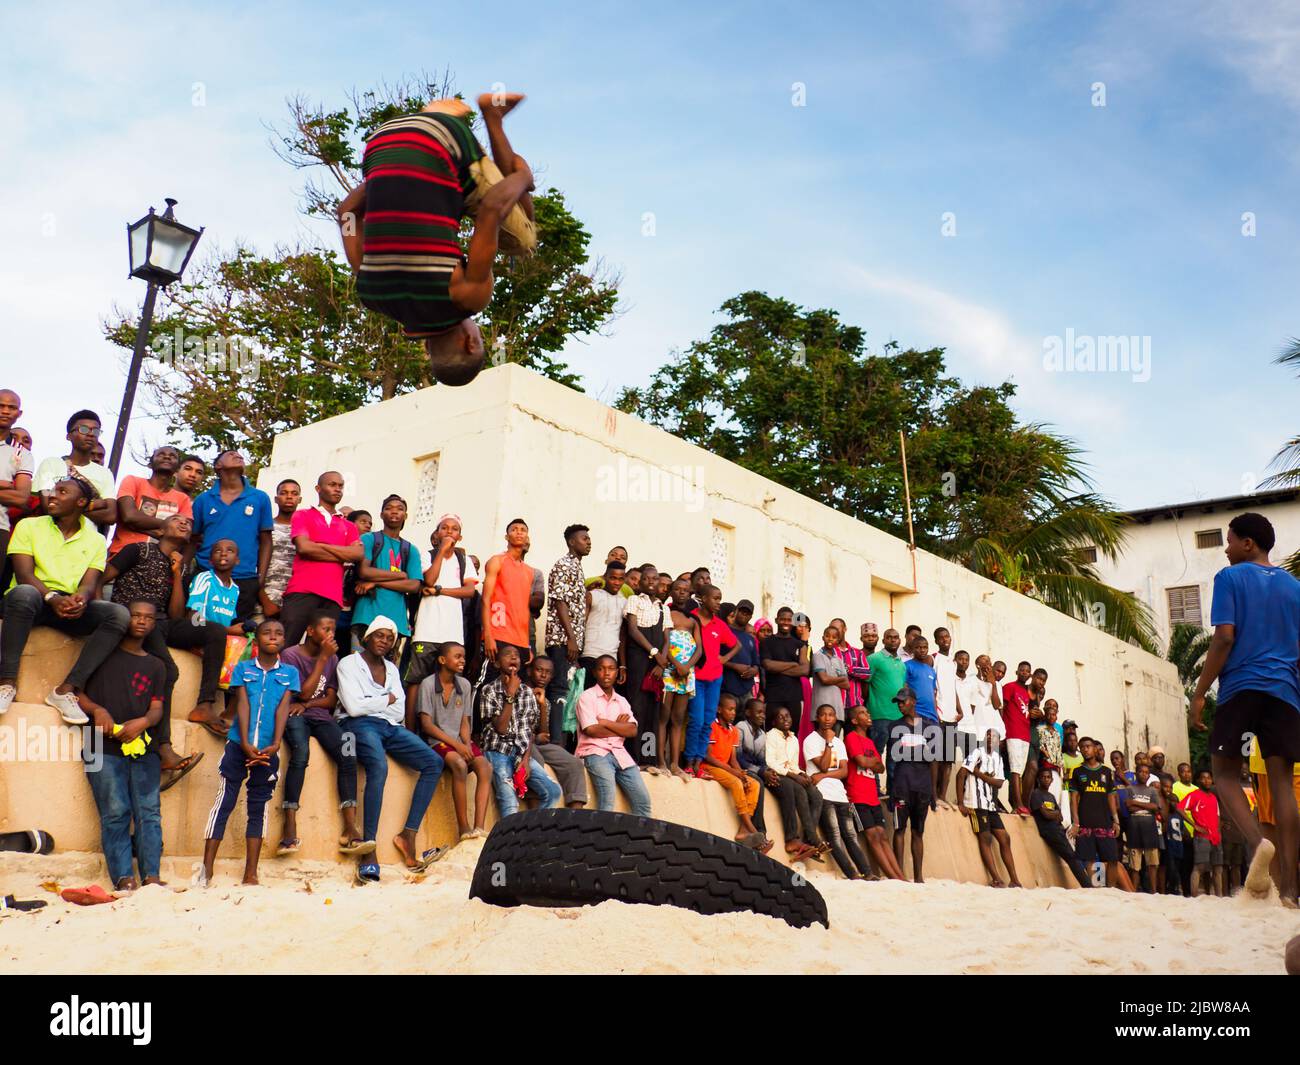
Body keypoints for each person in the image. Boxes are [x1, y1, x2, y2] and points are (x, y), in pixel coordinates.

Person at [341, 91, 537, 386]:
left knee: (525, 240)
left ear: (470, 343)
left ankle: (491, 117)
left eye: (479, 338)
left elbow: (492, 209)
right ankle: (430, 120)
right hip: (380, 144)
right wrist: (387, 180)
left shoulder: (466, 298)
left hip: (446, 141)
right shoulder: (372, 295)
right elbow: (346, 214)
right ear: (427, 347)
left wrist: (523, 177)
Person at [1191, 511, 1300, 908]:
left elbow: (1223, 638)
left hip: (1241, 687)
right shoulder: (1295, 586)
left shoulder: (1230, 578)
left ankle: (1259, 847)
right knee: (1283, 785)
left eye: (1230, 540)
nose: (1225, 547)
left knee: (1223, 773)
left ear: (1248, 544)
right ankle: (1290, 887)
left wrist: (1200, 692)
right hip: (1285, 692)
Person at [0, 478, 127, 722]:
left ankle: (65, 690)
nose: (52, 496)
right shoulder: (29, 526)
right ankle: (6, 683)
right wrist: (51, 597)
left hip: (67, 608)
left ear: (80, 502)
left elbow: (90, 583)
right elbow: (24, 574)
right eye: (53, 490)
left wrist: (81, 598)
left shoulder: (97, 540)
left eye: (62, 492)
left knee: (118, 615)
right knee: (23, 593)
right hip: (33, 601)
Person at [337, 616, 448, 880]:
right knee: (378, 766)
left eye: (390, 638)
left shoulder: (392, 669)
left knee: (433, 763)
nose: (385, 641)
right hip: (358, 725)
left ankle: (408, 834)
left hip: (389, 726)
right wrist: (386, 698)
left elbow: (398, 711)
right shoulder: (348, 664)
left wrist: (374, 701)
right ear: (368, 637)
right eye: (380, 635)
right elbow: (353, 707)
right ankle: (369, 849)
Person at [100, 513, 203, 787]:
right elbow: (103, 577)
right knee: (168, 669)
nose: (184, 523)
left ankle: (161, 749)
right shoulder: (139, 549)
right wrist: (100, 612)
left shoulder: (179, 566)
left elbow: (177, 614)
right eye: (177, 519)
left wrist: (177, 574)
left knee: (168, 669)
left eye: (189, 523)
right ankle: (164, 748)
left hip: (158, 623)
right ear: (160, 529)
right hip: (128, 616)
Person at [76, 600, 167, 891]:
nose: (141, 621)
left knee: (149, 812)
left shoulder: (156, 665)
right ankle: (124, 879)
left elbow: (157, 710)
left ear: (154, 624)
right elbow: (74, 692)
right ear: (125, 618)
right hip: (98, 743)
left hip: (142, 746)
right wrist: (97, 710)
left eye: (148, 617)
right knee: (115, 811)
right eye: (135, 615)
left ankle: (151, 876)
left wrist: (143, 722)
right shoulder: (100, 653)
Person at [199, 618, 296, 887]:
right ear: (258, 638)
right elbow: (241, 704)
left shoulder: (289, 673)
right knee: (224, 802)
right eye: (267, 632)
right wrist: (243, 743)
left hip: (268, 749)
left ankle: (251, 872)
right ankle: (206, 869)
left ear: (284, 640)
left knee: (258, 807)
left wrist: (275, 744)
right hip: (237, 746)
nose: (273, 637)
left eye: (278, 633)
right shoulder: (242, 669)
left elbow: (283, 709)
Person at [278, 610, 367, 856]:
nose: (331, 634)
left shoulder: (332, 658)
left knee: (348, 753)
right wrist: (321, 661)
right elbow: (303, 692)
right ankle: (289, 824)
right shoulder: (290, 655)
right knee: (300, 752)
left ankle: (350, 828)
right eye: (325, 629)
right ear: (310, 630)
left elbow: (329, 701)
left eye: (333, 629)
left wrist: (307, 704)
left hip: (318, 716)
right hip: (293, 717)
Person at [184, 450, 272, 624]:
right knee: (197, 623)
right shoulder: (203, 500)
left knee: (235, 631)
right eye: (231, 454)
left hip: (244, 578)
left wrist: (260, 578)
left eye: (240, 454)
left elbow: (266, 541)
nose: (238, 455)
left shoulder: (260, 498)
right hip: (206, 575)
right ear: (218, 465)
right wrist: (184, 570)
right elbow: (193, 539)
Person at [170, 538, 247, 737]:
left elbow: (227, 626)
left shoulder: (235, 589)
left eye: (229, 550)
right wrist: (229, 631)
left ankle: (230, 712)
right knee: (220, 632)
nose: (223, 553)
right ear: (210, 559)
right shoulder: (205, 578)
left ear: (237, 560)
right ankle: (204, 706)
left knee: (251, 646)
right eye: (218, 551)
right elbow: (194, 618)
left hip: (215, 638)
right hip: (194, 630)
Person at [415, 641, 491, 840]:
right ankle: (463, 828)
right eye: (457, 656)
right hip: (436, 740)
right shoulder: (428, 684)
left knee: (484, 766)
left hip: (458, 739)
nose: (462, 661)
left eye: (463, 657)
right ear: (442, 660)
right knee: (459, 765)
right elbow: (427, 725)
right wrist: (457, 746)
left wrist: (466, 744)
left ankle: (479, 827)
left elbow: (465, 721)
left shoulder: (464, 685)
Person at [279, 472, 363, 648]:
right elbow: (304, 548)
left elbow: (357, 555)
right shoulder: (303, 515)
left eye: (340, 486)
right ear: (318, 488)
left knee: (319, 652)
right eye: (332, 485)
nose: (337, 489)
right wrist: (341, 553)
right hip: (302, 590)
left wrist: (321, 546)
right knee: (286, 645)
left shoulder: (349, 525)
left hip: (332, 597)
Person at [479, 644, 562, 817]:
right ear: (496, 664)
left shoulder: (527, 692)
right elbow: (501, 729)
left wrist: (525, 759)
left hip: (521, 754)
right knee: (509, 801)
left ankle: (533, 833)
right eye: (508, 655)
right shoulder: (489, 690)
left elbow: (530, 731)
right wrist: (510, 694)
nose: (513, 658)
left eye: (516, 655)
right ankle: (509, 842)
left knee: (553, 791)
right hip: (498, 752)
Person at [576, 654, 653, 816]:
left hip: (620, 753)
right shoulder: (586, 697)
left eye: (611, 669)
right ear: (595, 672)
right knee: (607, 800)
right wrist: (619, 726)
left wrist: (605, 723)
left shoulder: (622, 701)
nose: (606, 673)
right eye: (601, 669)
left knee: (643, 802)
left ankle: (637, 841)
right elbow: (590, 730)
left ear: (617, 672)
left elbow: (632, 731)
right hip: (595, 752)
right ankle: (601, 841)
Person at [804, 703, 872, 878]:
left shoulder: (839, 742)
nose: (827, 719)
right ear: (817, 718)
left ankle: (867, 872)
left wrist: (822, 775)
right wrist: (827, 743)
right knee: (834, 836)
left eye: (831, 715)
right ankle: (852, 874)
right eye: (823, 715)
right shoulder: (810, 740)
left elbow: (844, 771)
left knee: (850, 835)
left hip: (840, 795)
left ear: (836, 718)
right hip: (823, 795)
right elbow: (824, 765)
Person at [702, 694, 772, 853]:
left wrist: (741, 773)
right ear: (719, 710)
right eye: (730, 709)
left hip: (726, 767)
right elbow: (709, 757)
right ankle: (752, 828)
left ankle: (742, 831)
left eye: (734, 710)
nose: (733, 713)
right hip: (710, 766)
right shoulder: (712, 726)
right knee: (736, 784)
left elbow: (733, 759)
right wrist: (735, 774)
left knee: (753, 784)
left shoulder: (733, 730)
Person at [844, 705, 905, 879]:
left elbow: (881, 767)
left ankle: (900, 877)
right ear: (855, 720)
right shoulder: (851, 737)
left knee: (883, 835)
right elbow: (862, 762)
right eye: (863, 713)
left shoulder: (870, 742)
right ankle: (892, 877)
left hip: (873, 796)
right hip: (857, 795)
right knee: (873, 836)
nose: (868, 715)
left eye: (867, 712)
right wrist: (871, 761)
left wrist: (869, 761)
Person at [956, 728, 1022, 888]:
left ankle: (1014, 879)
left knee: (1005, 838)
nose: (989, 738)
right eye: (987, 735)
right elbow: (961, 774)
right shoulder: (976, 752)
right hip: (975, 803)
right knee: (986, 838)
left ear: (999, 742)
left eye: (993, 736)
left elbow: (999, 782)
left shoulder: (998, 759)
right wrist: (960, 802)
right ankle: (996, 878)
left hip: (990, 805)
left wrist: (978, 773)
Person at [409, 514, 480, 663]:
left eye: (454, 529)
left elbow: (469, 591)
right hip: (426, 632)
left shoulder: (464, 561)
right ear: (437, 533)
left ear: (459, 536)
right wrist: (441, 551)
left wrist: (439, 591)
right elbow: (429, 580)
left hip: (453, 634)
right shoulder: (426, 556)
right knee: (417, 678)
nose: (449, 532)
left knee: (449, 679)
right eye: (444, 528)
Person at [685, 584, 739, 777]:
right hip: (696, 678)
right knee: (696, 721)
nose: (718, 603)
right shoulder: (691, 618)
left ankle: (699, 763)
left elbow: (736, 645)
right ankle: (689, 761)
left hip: (714, 679)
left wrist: (724, 659)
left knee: (708, 721)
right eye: (715, 598)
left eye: (720, 598)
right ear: (704, 599)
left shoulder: (720, 624)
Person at [33, 410, 116, 528]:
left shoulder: (105, 473)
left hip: (87, 541)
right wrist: (94, 504)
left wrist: (66, 504)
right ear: (69, 436)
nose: (91, 434)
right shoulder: (51, 464)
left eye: (96, 431)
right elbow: (48, 505)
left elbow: (111, 516)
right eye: (84, 429)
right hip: (51, 534)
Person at [889, 686, 938, 882]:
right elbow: (893, 759)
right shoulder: (894, 727)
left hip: (923, 786)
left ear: (913, 701)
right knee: (899, 829)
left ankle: (919, 877)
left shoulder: (929, 727)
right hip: (902, 785)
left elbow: (934, 761)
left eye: (903, 701)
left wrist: (933, 791)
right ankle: (899, 875)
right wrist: (892, 788)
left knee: (918, 831)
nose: (900, 705)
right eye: (898, 702)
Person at [623, 563, 670, 768]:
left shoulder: (663, 607)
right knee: (636, 706)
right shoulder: (634, 600)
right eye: (646, 579)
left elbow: (667, 637)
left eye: (655, 579)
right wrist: (654, 653)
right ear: (640, 582)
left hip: (658, 664)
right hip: (639, 659)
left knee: (653, 709)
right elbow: (633, 630)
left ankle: (647, 757)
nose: (651, 582)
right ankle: (632, 757)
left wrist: (662, 661)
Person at [765, 705, 826, 862]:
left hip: (791, 773)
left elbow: (793, 764)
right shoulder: (771, 736)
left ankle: (808, 838)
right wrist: (794, 776)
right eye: (781, 716)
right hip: (778, 774)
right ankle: (808, 838)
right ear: (773, 722)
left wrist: (801, 773)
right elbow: (770, 762)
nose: (786, 719)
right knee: (799, 790)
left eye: (788, 716)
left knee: (816, 795)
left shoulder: (794, 738)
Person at [526, 656, 589, 809]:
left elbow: (545, 735)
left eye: (547, 672)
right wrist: (535, 737)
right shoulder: (520, 692)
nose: (543, 675)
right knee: (537, 761)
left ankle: (575, 816)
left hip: (537, 743)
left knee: (574, 763)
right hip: (523, 743)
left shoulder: (544, 699)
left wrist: (542, 706)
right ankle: (535, 813)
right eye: (539, 670)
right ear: (529, 671)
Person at [108, 445, 193, 556]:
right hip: (121, 555)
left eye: (172, 456)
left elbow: (182, 533)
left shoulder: (183, 499)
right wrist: (168, 526)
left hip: (160, 562)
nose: (167, 457)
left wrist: (137, 526)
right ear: (150, 463)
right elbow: (128, 516)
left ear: (177, 468)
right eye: (161, 454)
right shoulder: (133, 481)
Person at [543, 523, 591, 710]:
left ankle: (560, 736)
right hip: (561, 639)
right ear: (572, 542)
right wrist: (571, 638)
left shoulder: (577, 566)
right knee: (558, 688)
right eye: (584, 538)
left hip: (571, 642)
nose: (589, 542)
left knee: (568, 687)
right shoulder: (564, 564)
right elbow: (560, 602)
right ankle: (554, 737)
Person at [659, 578, 701, 778]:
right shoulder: (666, 613)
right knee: (663, 718)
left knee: (678, 719)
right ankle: (660, 761)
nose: (682, 592)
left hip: (686, 674)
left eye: (685, 590)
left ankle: (675, 764)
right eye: (678, 589)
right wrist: (676, 665)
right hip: (669, 671)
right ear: (671, 592)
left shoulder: (693, 620)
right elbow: (663, 642)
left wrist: (687, 667)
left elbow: (700, 649)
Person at [1070, 737, 1125, 889]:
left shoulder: (1106, 772)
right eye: (1082, 747)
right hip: (1086, 823)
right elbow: (1073, 799)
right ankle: (1097, 889)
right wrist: (1076, 822)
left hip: (1105, 822)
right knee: (1090, 859)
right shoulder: (1077, 772)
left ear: (1095, 748)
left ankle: (1111, 889)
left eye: (1088, 746)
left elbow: (1111, 797)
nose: (1085, 749)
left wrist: (1116, 820)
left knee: (1112, 858)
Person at [480, 519, 535, 667]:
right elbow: (485, 600)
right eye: (514, 529)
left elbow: (524, 609)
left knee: (515, 687)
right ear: (506, 536)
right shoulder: (497, 561)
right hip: (498, 634)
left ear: (527, 537)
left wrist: (528, 644)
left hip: (521, 641)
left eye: (523, 530)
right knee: (487, 685)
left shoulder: (530, 571)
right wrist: (488, 635)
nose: (519, 532)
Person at [1029, 767, 1090, 888]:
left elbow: (1060, 816)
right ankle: (1088, 885)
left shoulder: (1051, 796)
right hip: (1049, 830)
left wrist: (1053, 814)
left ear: (1052, 780)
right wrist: (1053, 814)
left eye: (1048, 777)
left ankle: (1089, 883)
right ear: (1038, 779)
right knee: (1072, 857)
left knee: (1076, 854)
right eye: (1043, 777)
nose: (1046, 779)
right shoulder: (1036, 794)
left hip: (1058, 829)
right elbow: (1045, 815)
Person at [866, 627, 907, 795]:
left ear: (899, 641)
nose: (893, 640)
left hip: (898, 716)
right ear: (883, 640)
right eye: (889, 637)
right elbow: (865, 682)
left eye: (896, 638)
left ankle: (892, 791)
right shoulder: (874, 659)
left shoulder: (901, 664)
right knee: (876, 754)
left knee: (895, 757)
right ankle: (874, 790)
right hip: (879, 715)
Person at [761, 607, 809, 736]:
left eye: (789, 620)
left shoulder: (799, 645)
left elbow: (805, 669)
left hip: (794, 697)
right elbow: (767, 665)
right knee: (771, 734)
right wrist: (793, 664)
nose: (786, 622)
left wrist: (778, 668)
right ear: (777, 620)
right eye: (783, 619)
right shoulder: (767, 642)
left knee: (792, 734)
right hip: (773, 696)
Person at [1180, 769, 1226, 898]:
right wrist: (1194, 824)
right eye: (1203, 778)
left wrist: (1218, 832)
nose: (1207, 780)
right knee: (1199, 867)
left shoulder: (1213, 798)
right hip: (1202, 838)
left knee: (1218, 869)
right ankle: (1194, 897)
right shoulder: (1194, 795)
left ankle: (1219, 897)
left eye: (1209, 778)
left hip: (1215, 837)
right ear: (1199, 780)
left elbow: (1217, 816)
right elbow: (1179, 808)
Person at [581, 560, 626, 693]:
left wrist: (622, 665)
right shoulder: (592, 595)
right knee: (586, 696)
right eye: (613, 578)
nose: (617, 582)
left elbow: (622, 636)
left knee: (605, 699)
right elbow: (580, 625)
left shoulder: (625, 602)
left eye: (620, 579)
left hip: (611, 658)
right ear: (605, 576)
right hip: (589, 655)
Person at [0, 390, 33, 562]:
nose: (5, 411)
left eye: (11, 407)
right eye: (1, 406)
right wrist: (5, 485)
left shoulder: (22, 455)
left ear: (18, 414)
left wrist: (14, 491)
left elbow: (21, 498)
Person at [260, 478, 300, 619]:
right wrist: (265, 601)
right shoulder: (265, 527)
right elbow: (254, 566)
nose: (289, 496)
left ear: (299, 499)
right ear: (276, 499)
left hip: (293, 602)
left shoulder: (304, 531)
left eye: (294, 493)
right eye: (284, 493)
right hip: (263, 601)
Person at [1125, 764, 1165, 893]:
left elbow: (1155, 807)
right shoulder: (1130, 788)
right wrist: (1147, 806)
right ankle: (1133, 890)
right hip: (1135, 828)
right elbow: (1129, 808)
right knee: (1135, 865)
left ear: (1149, 775)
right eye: (1141, 772)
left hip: (1150, 829)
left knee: (1152, 863)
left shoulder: (1152, 790)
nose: (1144, 774)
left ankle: (1153, 891)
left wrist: (1136, 802)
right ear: (1136, 773)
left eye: (1146, 772)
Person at [932, 627, 961, 803]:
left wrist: (960, 710)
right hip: (939, 715)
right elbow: (933, 685)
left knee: (948, 759)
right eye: (941, 638)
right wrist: (935, 709)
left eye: (947, 637)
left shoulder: (953, 662)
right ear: (936, 641)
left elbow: (953, 687)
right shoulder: (935, 659)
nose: (945, 640)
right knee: (935, 757)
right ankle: (934, 795)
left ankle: (943, 796)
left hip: (952, 716)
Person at [1001, 661, 1034, 815]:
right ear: (1017, 671)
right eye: (1022, 670)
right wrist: (1002, 731)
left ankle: (1019, 804)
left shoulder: (1028, 692)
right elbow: (1002, 708)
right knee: (1015, 770)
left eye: (1027, 671)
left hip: (1025, 735)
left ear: (1030, 674)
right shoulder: (1009, 687)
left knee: (1020, 771)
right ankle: (1018, 805)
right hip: (1013, 732)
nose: (1024, 673)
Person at [722, 598, 760, 704]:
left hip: (746, 689)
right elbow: (716, 657)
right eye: (742, 611)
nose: (744, 614)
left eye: (747, 613)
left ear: (751, 616)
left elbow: (756, 663)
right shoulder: (725, 631)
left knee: (745, 720)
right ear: (736, 611)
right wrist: (735, 667)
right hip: (727, 688)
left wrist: (753, 670)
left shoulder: (750, 638)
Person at [810, 625, 849, 724]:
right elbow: (824, 680)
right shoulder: (817, 656)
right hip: (821, 707)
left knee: (835, 738)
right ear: (823, 638)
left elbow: (847, 685)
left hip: (837, 709)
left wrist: (830, 679)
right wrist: (839, 679)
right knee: (822, 738)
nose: (830, 639)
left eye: (834, 637)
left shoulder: (839, 660)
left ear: (838, 640)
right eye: (827, 636)